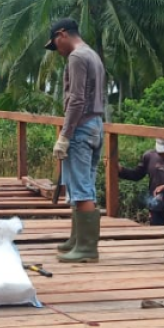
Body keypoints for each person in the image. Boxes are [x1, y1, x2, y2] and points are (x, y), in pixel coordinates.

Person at [45, 18, 106, 263]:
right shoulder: (92, 54)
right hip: (96, 124)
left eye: (55, 44)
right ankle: (78, 239)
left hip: (81, 127)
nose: (57, 50)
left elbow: (77, 100)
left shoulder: (77, 57)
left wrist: (65, 135)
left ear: (62, 34)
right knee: (83, 185)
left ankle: (87, 249)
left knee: (81, 189)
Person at [119, 139, 164, 227]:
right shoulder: (149, 156)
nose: (163, 154)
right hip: (156, 205)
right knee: (157, 235)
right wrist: (121, 170)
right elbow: (136, 175)